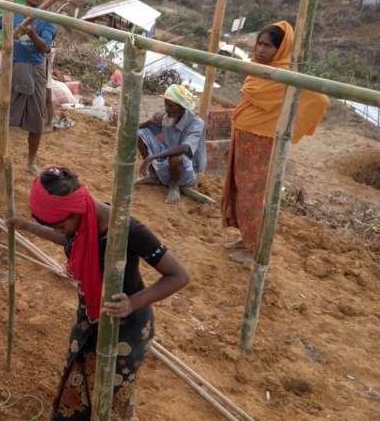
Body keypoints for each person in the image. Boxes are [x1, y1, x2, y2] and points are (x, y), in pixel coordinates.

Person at [6, 168, 189, 420]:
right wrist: (27, 226)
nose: (59, 231)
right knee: (79, 384)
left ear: (77, 211)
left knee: (111, 399)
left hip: (125, 326)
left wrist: (131, 302)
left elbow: (179, 275)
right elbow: (68, 238)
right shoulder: (79, 223)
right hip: (90, 316)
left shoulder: (127, 230)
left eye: (60, 225)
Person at [221, 21, 329, 264]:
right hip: (245, 138)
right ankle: (247, 237)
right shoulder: (261, 71)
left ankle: (256, 248)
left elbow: (320, 99)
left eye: (267, 46)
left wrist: (288, 127)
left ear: (280, 49)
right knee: (241, 190)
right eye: (259, 44)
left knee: (255, 196)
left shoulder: (287, 75)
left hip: (262, 145)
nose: (260, 50)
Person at [0, 0, 56, 175]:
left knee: (36, 119)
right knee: (5, 108)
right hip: (12, 65)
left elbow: (44, 48)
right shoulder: (11, 12)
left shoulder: (48, 18)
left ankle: (30, 162)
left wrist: (30, 32)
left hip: (36, 70)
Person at [135, 84, 207, 204]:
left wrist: (152, 157)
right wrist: (150, 121)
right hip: (167, 162)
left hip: (187, 172)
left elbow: (184, 148)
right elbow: (135, 130)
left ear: (182, 108)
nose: (167, 109)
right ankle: (154, 176)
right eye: (166, 105)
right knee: (140, 133)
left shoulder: (196, 123)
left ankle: (174, 186)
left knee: (175, 156)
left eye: (171, 106)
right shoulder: (167, 116)